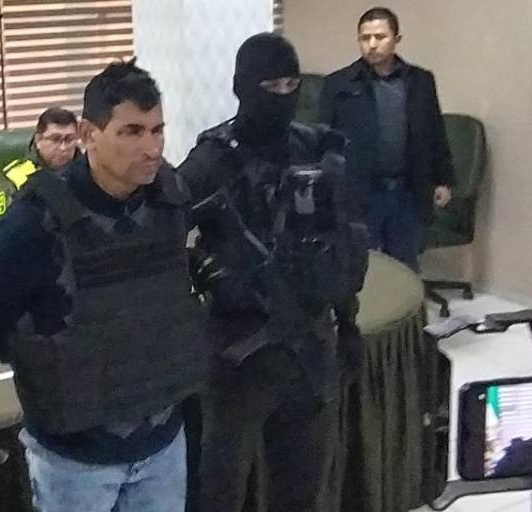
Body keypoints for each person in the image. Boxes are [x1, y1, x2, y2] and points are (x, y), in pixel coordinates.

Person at [0, 60, 209, 512]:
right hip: (74, 461)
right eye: (131, 132)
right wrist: (52, 357)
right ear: (87, 134)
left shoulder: (171, 198)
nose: (152, 148)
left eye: (157, 130)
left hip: (162, 443)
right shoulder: (36, 221)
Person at [176, 33, 368, 512]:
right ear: (242, 87)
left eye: (291, 84)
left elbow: (339, 241)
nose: (283, 96)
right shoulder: (212, 159)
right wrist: (204, 271)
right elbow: (161, 233)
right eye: (270, 86)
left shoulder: (314, 150)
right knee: (219, 494)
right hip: (238, 353)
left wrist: (347, 323)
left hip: (310, 344)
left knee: (301, 491)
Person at [319, 6, 454, 269]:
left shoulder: (420, 81)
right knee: (359, 267)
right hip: (360, 193)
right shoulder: (339, 84)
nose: (372, 44)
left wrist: (443, 179)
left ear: (396, 39)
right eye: (365, 38)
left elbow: (434, 131)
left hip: (407, 192)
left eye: (379, 37)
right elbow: (325, 138)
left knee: (404, 267)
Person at [0, 107, 79, 221]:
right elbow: (2, 224)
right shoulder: (15, 176)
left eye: (69, 139)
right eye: (55, 139)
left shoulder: (90, 172)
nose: (63, 147)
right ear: (38, 140)